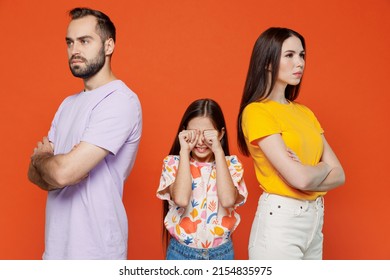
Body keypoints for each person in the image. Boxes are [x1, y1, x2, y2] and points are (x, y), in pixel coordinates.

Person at [27, 7, 142, 260]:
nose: (74, 50)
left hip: (95, 253)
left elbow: (61, 173)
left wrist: (48, 164)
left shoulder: (120, 101)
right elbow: (34, 175)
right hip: (55, 251)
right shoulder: (67, 104)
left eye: (84, 41)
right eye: (70, 42)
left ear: (109, 45)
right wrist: (46, 165)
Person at [237, 27, 345, 260]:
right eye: (290, 55)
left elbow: (341, 175)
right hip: (281, 224)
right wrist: (323, 168)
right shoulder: (257, 112)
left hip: (315, 223)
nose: (300, 63)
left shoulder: (305, 113)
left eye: (302, 55)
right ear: (267, 62)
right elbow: (300, 179)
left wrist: (309, 171)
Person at [157, 99, 248, 260]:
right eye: (194, 133)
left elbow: (227, 200)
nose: (200, 141)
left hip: (221, 254)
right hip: (181, 254)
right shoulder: (173, 163)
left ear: (220, 133)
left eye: (208, 134)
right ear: (184, 132)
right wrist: (184, 151)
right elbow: (181, 199)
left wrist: (218, 151)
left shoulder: (231, 165)